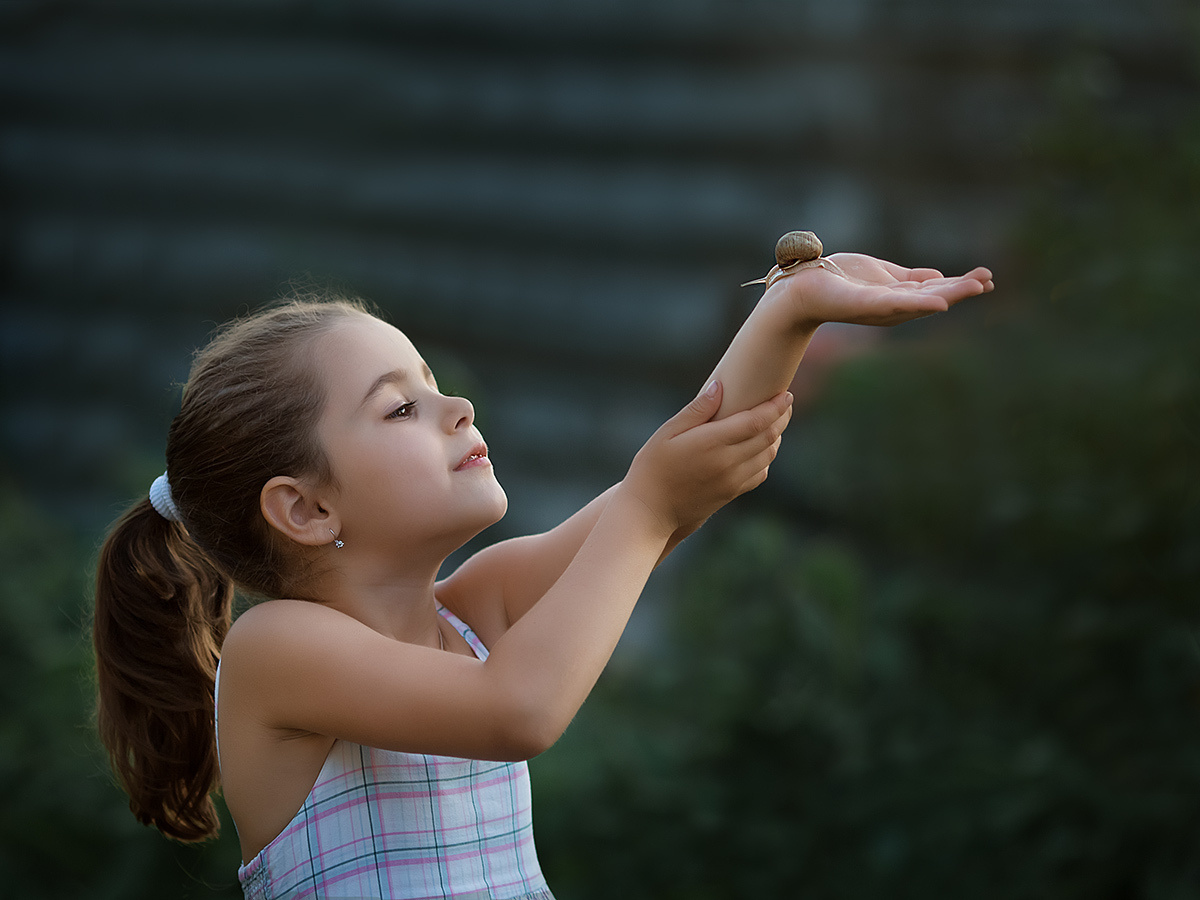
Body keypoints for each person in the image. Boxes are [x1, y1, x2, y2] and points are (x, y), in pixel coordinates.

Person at [92, 246, 993, 900]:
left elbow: (675, 475)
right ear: (306, 509)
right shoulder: (277, 650)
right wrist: (644, 506)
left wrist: (790, 309)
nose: (458, 407)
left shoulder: (481, 605)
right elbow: (518, 710)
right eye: (402, 406)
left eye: (433, 381)